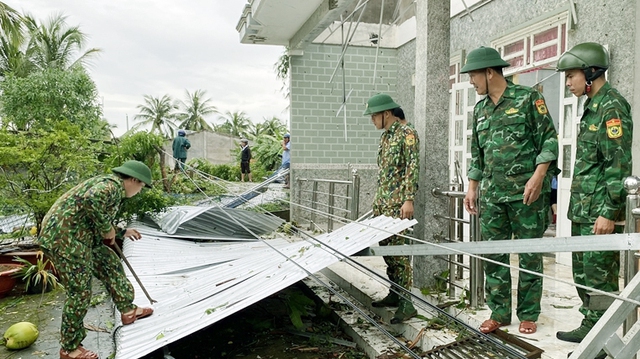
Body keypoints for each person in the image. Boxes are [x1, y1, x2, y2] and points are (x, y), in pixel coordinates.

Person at [461, 46, 559, 335]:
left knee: (529, 254)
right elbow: (476, 154)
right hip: (492, 197)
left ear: (490, 72)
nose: (471, 82)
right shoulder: (480, 110)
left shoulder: (529, 98)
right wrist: (472, 187)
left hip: (525, 194)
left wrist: (539, 177)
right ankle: (499, 312)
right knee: (494, 254)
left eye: (474, 75)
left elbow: (549, 141)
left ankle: (529, 313)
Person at [555, 43, 632, 353]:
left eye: (571, 76)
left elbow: (618, 163)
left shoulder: (612, 106)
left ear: (590, 73)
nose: (567, 82)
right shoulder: (592, 105)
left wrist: (610, 212)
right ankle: (591, 328)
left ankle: (602, 346)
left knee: (601, 282)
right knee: (585, 277)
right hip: (583, 210)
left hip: (599, 211)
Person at [38, 160, 155, 359]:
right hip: (65, 240)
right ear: (134, 180)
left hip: (80, 237)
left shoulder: (111, 187)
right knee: (80, 291)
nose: (140, 190)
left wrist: (121, 231)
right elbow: (90, 200)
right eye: (141, 186)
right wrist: (106, 228)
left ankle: (128, 309)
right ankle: (69, 348)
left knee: (109, 263)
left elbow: (93, 216)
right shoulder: (111, 186)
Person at [363, 93, 420, 324]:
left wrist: (408, 199)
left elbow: (411, 168)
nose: (372, 120)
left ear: (387, 114)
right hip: (383, 205)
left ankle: (407, 304)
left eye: (374, 115)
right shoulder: (387, 137)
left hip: (398, 205)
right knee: (387, 252)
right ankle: (395, 294)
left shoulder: (408, 134)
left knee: (399, 255)